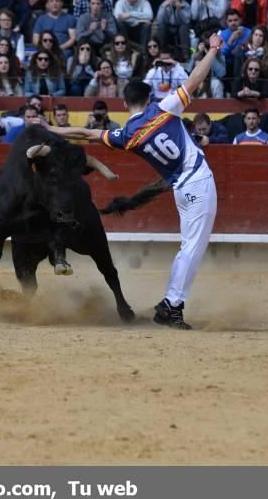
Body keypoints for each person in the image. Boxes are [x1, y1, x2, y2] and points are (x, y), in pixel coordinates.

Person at [49, 32, 225, 330]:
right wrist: (213, 50)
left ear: (124, 103)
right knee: (192, 248)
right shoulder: (164, 109)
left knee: (189, 247)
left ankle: (171, 303)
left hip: (181, 190)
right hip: (197, 181)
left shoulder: (125, 135)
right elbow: (195, 79)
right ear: (149, 98)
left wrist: (51, 128)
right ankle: (171, 305)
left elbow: (87, 134)